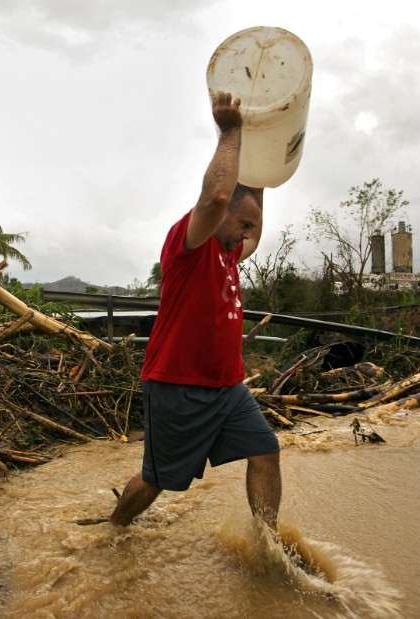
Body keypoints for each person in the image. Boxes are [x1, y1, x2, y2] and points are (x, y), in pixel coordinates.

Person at [108, 92, 281, 534]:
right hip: (177, 386)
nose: (246, 236)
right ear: (220, 216)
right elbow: (221, 193)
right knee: (156, 480)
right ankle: (114, 530)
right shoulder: (187, 245)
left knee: (266, 450)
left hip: (227, 387)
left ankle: (268, 543)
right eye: (242, 224)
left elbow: (243, 206)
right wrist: (230, 132)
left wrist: (261, 163)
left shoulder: (228, 253)